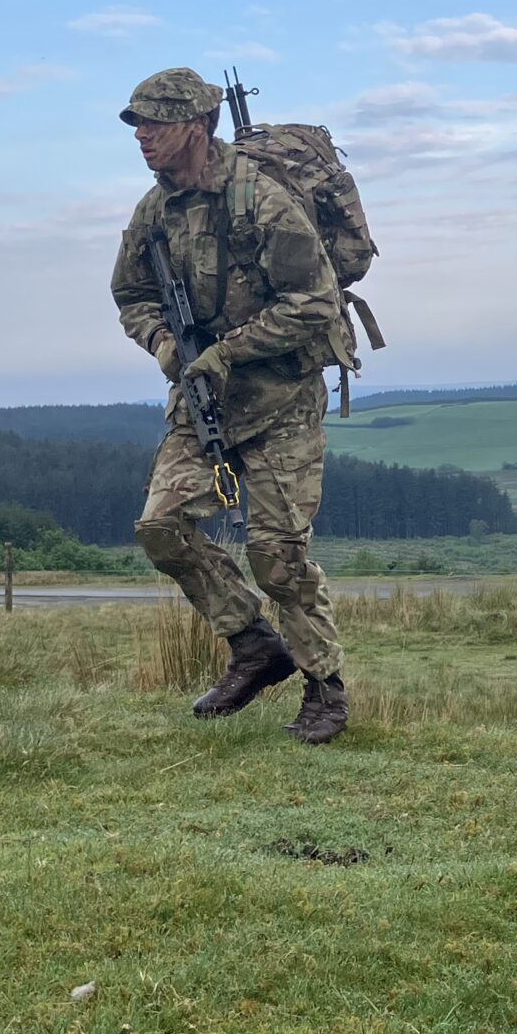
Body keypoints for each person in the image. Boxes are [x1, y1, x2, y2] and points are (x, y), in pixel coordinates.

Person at [110, 67, 350, 744]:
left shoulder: (260, 200)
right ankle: (253, 645)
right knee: (161, 527)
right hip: (201, 398)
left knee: (277, 556)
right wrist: (164, 344)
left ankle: (325, 688)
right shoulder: (153, 212)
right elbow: (131, 295)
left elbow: (316, 301)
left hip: (281, 400)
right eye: (137, 124)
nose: (143, 135)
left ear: (197, 125)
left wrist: (230, 351)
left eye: (156, 122)